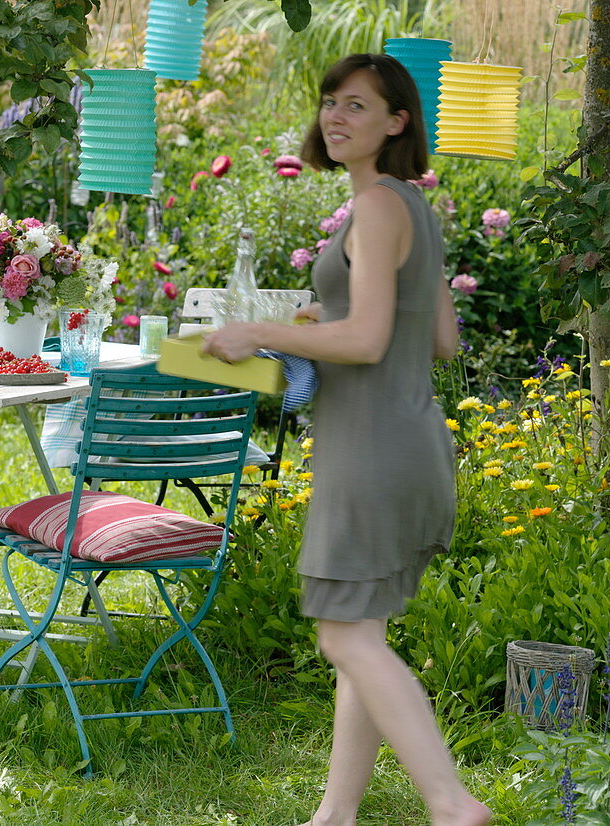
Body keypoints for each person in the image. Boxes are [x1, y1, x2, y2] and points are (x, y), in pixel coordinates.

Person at [202, 54, 491, 826]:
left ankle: (453, 804)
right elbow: (441, 339)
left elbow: (365, 342)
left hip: (371, 455)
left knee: (344, 637)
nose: (337, 117)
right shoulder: (411, 207)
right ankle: (334, 817)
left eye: (358, 106)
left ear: (397, 122)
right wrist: (323, 327)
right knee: (360, 633)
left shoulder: (375, 210)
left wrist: (256, 331)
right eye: (332, 103)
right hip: (414, 444)